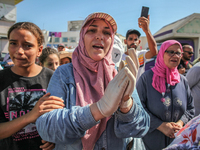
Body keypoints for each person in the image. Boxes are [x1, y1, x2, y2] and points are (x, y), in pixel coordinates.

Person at [36, 12, 150, 150]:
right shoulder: (64, 74)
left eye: (107, 32)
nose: (99, 36)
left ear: (112, 40)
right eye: (92, 30)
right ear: (82, 36)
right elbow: (47, 127)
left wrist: (127, 105)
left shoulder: (120, 73)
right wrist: (97, 110)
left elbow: (142, 127)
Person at [0, 22, 65, 150]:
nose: (19, 51)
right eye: (13, 43)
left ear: (39, 50)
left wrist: (55, 138)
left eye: (27, 46)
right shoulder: (1, 80)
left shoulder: (54, 78)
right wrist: (30, 116)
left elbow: (63, 119)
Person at [136, 40, 195, 150]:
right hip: (151, 141)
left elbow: (191, 108)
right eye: (170, 52)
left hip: (178, 142)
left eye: (178, 53)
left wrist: (181, 123)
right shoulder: (146, 78)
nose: (175, 56)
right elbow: (138, 108)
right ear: (161, 53)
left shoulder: (182, 81)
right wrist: (160, 125)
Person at [122, 15, 158, 81]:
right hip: (125, 90)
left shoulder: (141, 54)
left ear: (139, 42)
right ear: (125, 41)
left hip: (140, 90)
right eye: (130, 39)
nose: (133, 41)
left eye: (136, 39)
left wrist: (147, 31)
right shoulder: (121, 58)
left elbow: (154, 52)